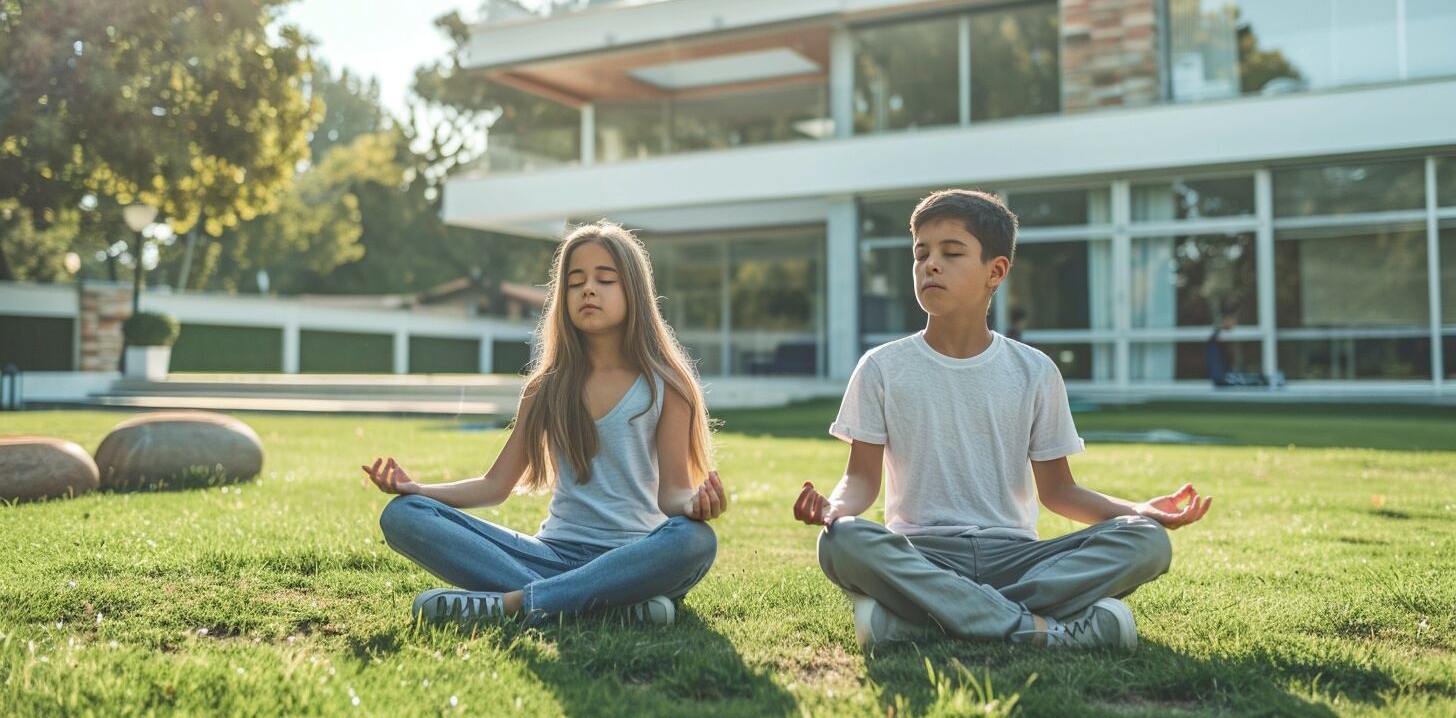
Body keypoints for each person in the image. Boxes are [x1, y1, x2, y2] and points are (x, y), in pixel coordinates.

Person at [793, 189, 1211, 650]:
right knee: (840, 542)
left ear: (996, 272)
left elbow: (1059, 492)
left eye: (951, 253)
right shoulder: (880, 367)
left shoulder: (1034, 371)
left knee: (1147, 542)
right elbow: (860, 480)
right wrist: (835, 509)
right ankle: (1041, 630)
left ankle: (928, 620)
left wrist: (1139, 511)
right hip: (921, 554)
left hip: (1019, 557)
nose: (930, 264)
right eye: (921, 254)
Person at [364, 221, 725, 628]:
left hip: (635, 554)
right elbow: (494, 486)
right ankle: (612, 605)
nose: (588, 289)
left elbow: (673, 494)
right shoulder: (545, 388)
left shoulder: (666, 386)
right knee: (404, 515)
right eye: (575, 282)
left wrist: (693, 506)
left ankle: (514, 604)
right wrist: (420, 491)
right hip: (550, 555)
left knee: (694, 540)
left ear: (635, 293)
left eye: (605, 279)